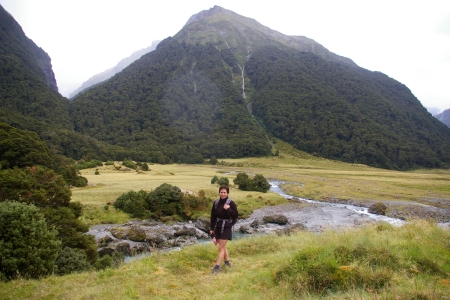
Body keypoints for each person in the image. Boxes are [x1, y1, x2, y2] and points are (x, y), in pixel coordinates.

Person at [210, 185, 238, 275]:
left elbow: (235, 215)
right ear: (219, 192)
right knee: (223, 246)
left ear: (227, 193)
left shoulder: (231, 203)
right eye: (221, 192)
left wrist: (228, 209)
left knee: (221, 247)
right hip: (218, 226)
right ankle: (227, 263)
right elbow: (213, 216)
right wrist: (211, 228)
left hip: (227, 227)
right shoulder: (216, 202)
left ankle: (216, 267)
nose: (223, 194)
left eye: (224, 192)